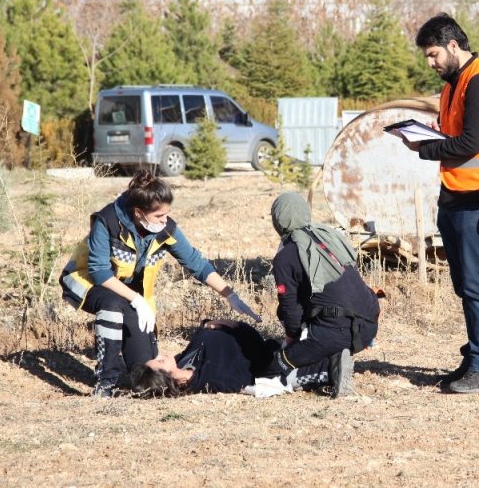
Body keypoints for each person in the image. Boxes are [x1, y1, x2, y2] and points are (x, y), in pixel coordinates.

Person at [60, 169, 259, 398]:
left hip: (131, 296)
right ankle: (106, 380)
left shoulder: (164, 229)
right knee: (113, 304)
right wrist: (136, 299)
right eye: (159, 216)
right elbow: (99, 272)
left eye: (167, 214)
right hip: (87, 281)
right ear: (138, 212)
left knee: (145, 370)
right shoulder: (107, 222)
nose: (165, 221)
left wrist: (230, 295)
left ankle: (123, 370)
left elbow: (196, 263)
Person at [408, 13, 479, 394]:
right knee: (464, 282)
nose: (430, 62)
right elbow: (457, 137)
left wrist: (425, 148)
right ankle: (477, 355)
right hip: (456, 194)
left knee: (477, 282)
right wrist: (433, 137)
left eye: (434, 54)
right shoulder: (453, 85)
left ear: (454, 45)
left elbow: (471, 143)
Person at [268, 192, 380, 398]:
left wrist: (290, 343)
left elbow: (290, 308)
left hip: (338, 330)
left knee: (276, 366)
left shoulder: (286, 256)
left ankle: (330, 368)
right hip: (368, 322)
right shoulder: (328, 235)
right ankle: (335, 353)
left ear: (278, 221)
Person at [130, 319, 330, 397]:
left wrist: (211, 324)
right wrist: (234, 327)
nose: (160, 356)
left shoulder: (183, 360)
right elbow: (246, 373)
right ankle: (331, 369)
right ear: (166, 376)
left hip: (254, 339)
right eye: (158, 362)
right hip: (271, 356)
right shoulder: (209, 379)